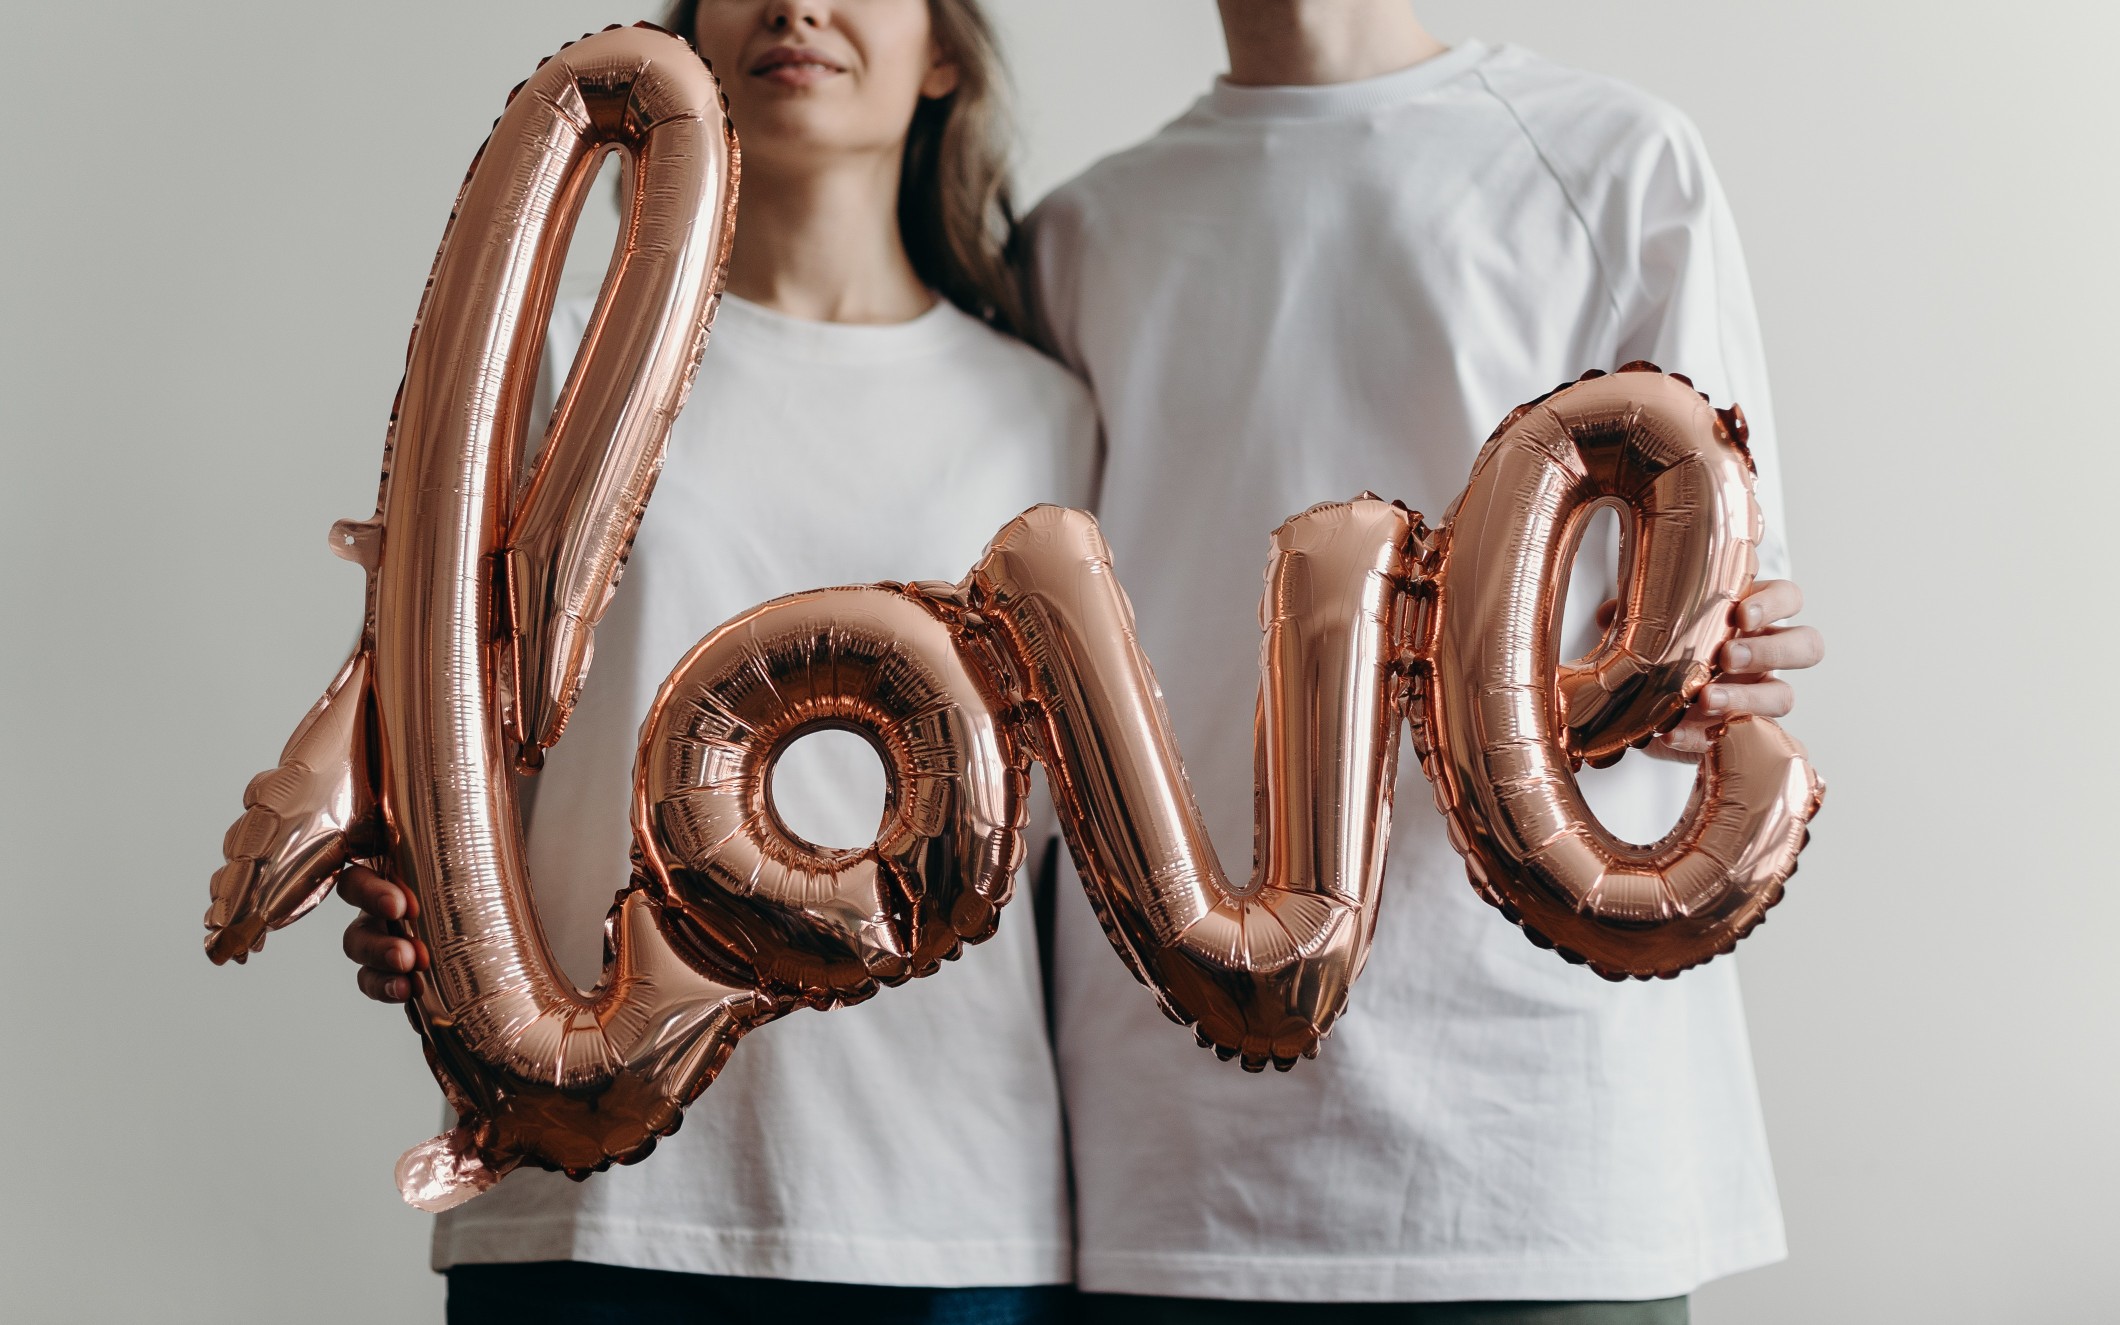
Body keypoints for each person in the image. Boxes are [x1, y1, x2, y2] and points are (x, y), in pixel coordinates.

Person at [1024, 2, 1824, 1321]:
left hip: (1540, 1146)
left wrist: (1725, 669)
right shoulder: (1083, 236)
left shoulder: (1615, 162)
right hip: (1179, 1167)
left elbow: (1721, 614)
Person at [337, 2, 1095, 1321]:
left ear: (950, 55)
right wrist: (407, 882)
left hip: (938, 1210)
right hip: (587, 1199)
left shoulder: (1050, 415)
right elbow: (444, 735)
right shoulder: (557, 361)